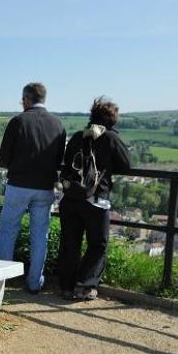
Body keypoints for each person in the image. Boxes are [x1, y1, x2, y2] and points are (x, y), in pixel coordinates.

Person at [0, 82, 66, 294]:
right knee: (39, 235)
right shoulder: (58, 124)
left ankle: (0, 281)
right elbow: (58, 159)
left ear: (27, 99)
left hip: (18, 185)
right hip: (45, 188)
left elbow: (4, 157)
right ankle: (34, 282)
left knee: (8, 232)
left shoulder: (18, 121)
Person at [58, 96, 131, 300]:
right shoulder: (110, 138)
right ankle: (85, 284)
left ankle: (66, 286)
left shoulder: (77, 136)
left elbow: (66, 163)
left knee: (69, 243)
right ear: (112, 120)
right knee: (98, 243)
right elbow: (127, 165)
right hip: (95, 200)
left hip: (71, 198)